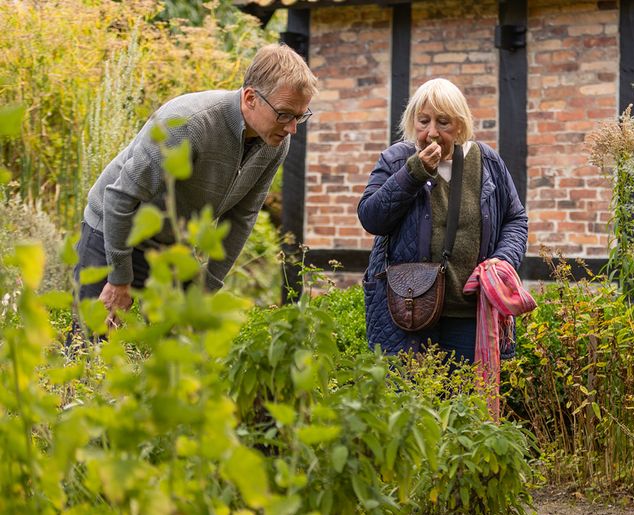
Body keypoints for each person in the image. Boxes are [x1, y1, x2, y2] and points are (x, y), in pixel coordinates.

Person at [74, 43, 318, 329]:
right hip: (114, 231)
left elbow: (242, 217)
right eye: (284, 114)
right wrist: (119, 279)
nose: (292, 128)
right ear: (251, 98)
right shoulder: (188, 124)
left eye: (300, 116)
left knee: (181, 351)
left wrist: (208, 285)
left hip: (173, 247)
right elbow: (119, 198)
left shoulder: (274, 143)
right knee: (92, 346)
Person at [358, 78, 528, 363]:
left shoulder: (487, 162)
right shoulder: (396, 160)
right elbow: (371, 218)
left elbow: (515, 218)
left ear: (460, 125)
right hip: (409, 313)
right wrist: (414, 173)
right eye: (423, 121)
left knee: (466, 403)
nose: (432, 133)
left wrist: (502, 261)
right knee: (413, 402)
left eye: (443, 122)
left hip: (469, 315)